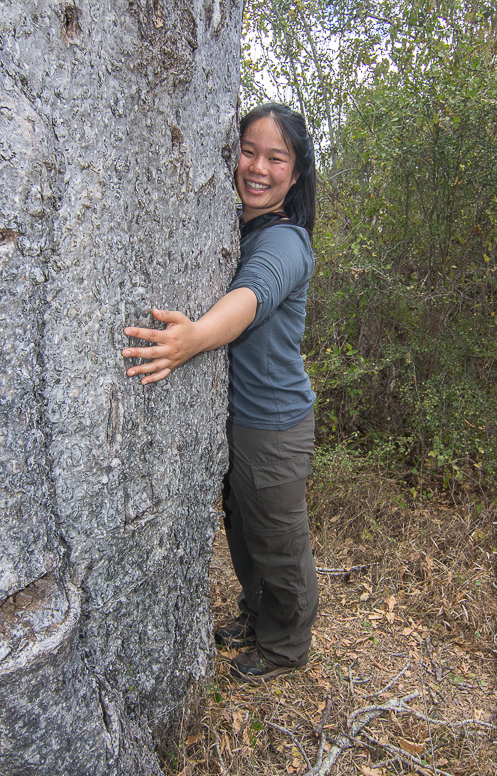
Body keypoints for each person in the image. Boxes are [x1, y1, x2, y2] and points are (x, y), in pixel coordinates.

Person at [122, 103, 319, 682]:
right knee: (244, 529)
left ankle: (287, 645)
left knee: (278, 542)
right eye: (248, 151)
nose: (257, 167)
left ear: (296, 172)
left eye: (275, 158)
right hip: (241, 420)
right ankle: (258, 615)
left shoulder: (285, 242)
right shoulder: (242, 225)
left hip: (274, 425)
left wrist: (191, 339)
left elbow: (252, 297)